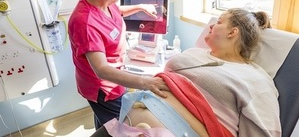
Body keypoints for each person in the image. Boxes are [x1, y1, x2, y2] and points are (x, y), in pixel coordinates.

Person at [91, 8, 281, 137]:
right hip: (125, 124)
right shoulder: (197, 53)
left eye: (220, 22)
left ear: (233, 32)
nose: (212, 25)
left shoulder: (255, 78)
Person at [68, 0, 169, 131]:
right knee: (121, 126)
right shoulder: (85, 23)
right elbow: (102, 70)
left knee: (105, 121)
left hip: (114, 79)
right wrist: (146, 82)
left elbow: (115, 12)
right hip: (103, 88)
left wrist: (140, 6)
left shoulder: (102, 2)